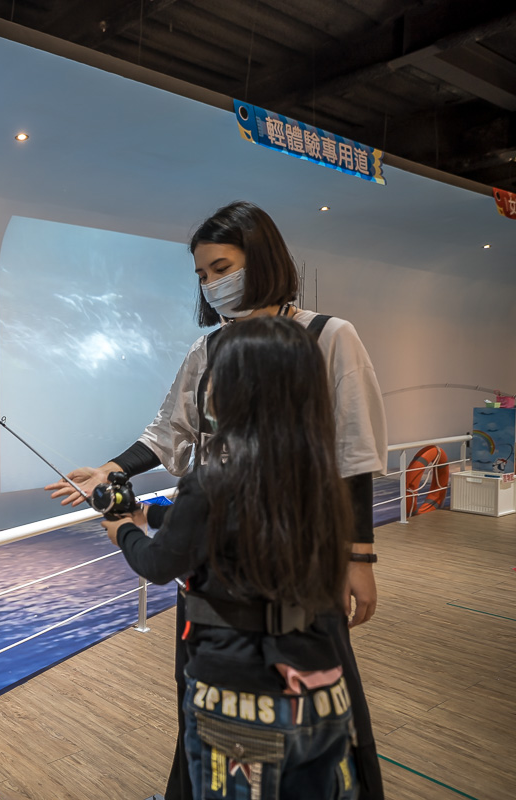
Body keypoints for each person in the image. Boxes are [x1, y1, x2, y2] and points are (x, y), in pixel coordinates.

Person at [45, 201, 386, 800]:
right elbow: (167, 433)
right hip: (213, 566)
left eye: (221, 267)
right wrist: (110, 470)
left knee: (316, 691)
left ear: (263, 260)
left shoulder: (329, 335)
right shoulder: (204, 352)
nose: (211, 283)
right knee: (202, 692)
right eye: (202, 274)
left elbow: (353, 452)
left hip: (300, 560)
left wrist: (359, 556)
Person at [105, 315, 358, 799]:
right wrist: (149, 516)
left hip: (239, 704)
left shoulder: (212, 480)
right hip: (321, 691)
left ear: (240, 388)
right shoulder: (318, 479)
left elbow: (160, 565)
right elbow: (232, 526)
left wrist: (122, 532)